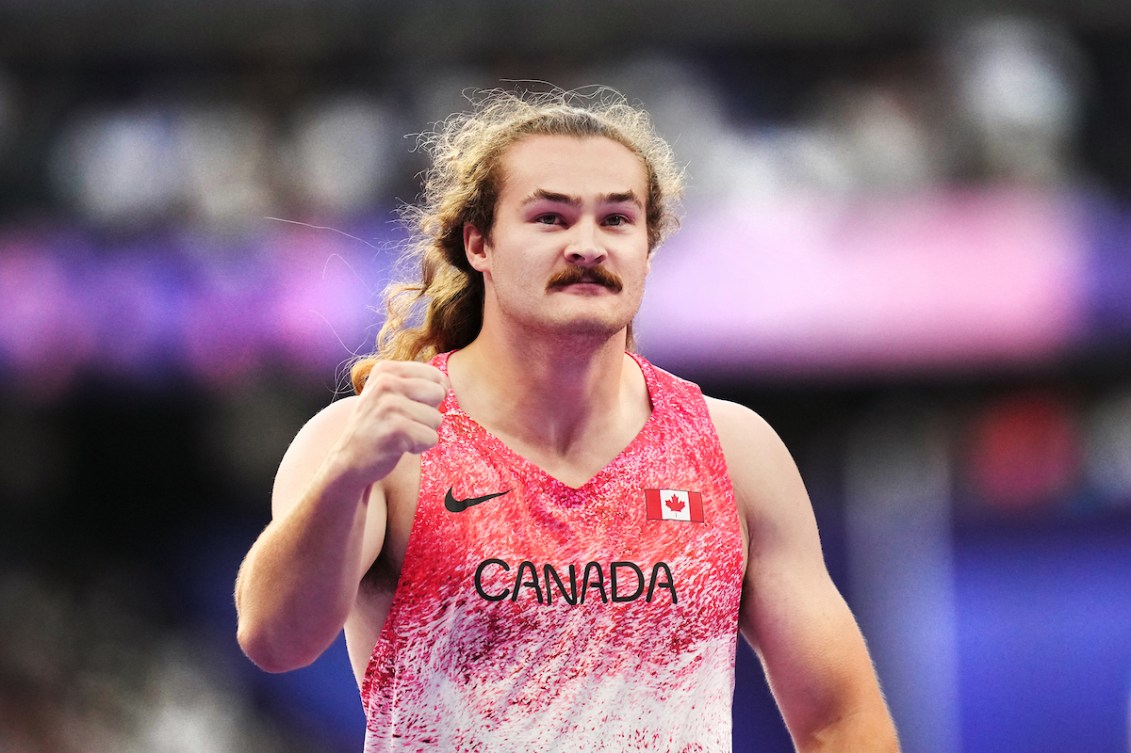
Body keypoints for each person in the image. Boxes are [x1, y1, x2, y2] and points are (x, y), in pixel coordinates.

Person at [234, 87, 900, 753]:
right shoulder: (378, 442)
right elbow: (273, 639)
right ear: (479, 244)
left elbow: (840, 719)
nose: (587, 244)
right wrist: (348, 475)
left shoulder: (734, 451)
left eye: (615, 220)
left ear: (647, 245)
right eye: (550, 218)